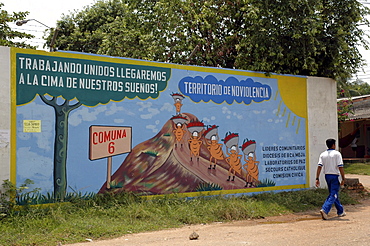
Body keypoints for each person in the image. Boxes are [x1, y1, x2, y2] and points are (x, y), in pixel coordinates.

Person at [315, 138, 346, 220]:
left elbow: (319, 167)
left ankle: (340, 211)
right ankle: (325, 209)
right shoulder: (337, 154)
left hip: (327, 176)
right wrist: (343, 178)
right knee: (333, 194)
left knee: (333, 193)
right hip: (335, 176)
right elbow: (340, 167)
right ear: (333, 145)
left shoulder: (323, 154)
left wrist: (317, 178)